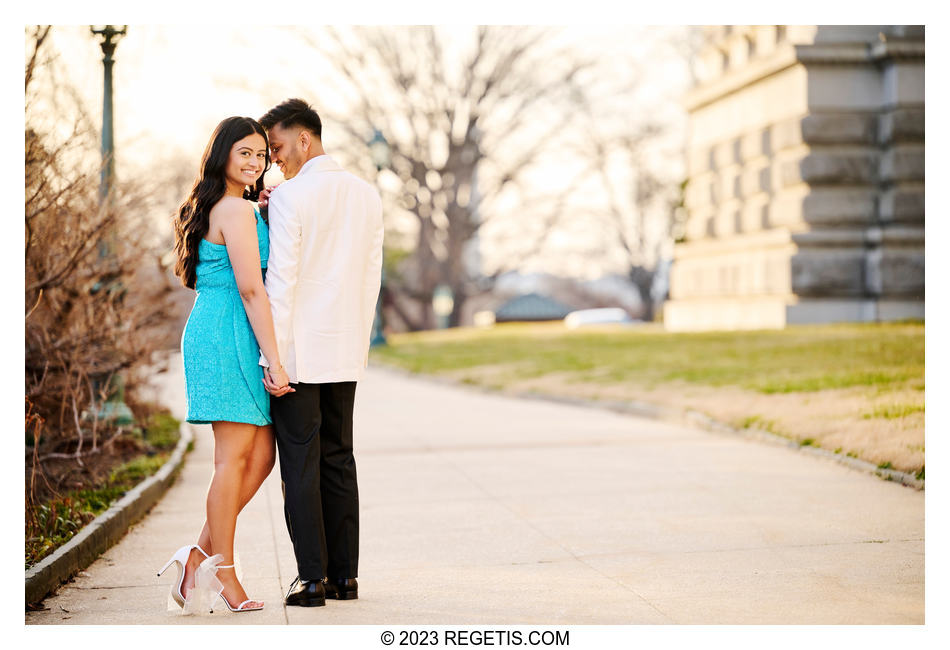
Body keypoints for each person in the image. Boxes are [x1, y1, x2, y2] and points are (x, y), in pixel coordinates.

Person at [159, 116, 294, 614]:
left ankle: (198, 557)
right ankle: (226, 575)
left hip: (227, 328)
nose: (256, 162)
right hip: (225, 333)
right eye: (246, 152)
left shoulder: (236, 207)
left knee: (259, 459)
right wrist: (275, 361)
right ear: (222, 154)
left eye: (261, 154)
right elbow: (251, 288)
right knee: (230, 460)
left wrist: (258, 209)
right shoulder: (234, 211)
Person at [257, 98, 383, 607]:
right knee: (339, 461)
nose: (274, 160)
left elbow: (281, 281)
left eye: (279, 147)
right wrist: (359, 344)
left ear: (304, 139)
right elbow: (369, 280)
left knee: (300, 467)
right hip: (344, 350)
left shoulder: (291, 196)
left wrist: (275, 358)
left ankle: (310, 579)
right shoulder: (367, 193)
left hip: (299, 355)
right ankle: (344, 578)